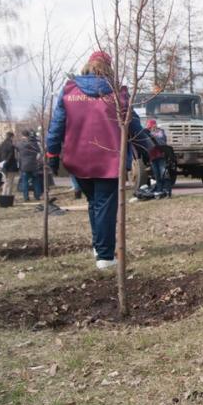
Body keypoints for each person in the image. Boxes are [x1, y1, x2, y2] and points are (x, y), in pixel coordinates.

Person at [45, 51, 152, 270]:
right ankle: (104, 255)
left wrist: (52, 154)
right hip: (109, 158)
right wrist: (148, 148)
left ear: (88, 65)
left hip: (77, 158)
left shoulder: (69, 91)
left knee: (94, 203)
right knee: (104, 205)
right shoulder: (118, 94)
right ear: (109, 68)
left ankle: (98, 246)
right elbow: (132, 125)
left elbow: (57, 125)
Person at [16, 130, 44, 201]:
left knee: (25, 182)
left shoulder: (20, 144)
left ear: (22, 135)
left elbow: (16, 150)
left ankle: (26, 197)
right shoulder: (34, 144)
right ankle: (37, 196)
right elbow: (39, 152)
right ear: (28, 135)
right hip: (34, 165)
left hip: (24, 166)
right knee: (36, 181)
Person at [0, 131, 19, 198]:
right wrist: (6, 163)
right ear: (12, 137)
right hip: (10, 167)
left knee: (6, 181)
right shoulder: (11, 145)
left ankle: (3, 195)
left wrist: (0, 163)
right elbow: (10, 156)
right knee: (10, 182)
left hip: (2, 166)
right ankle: (8, 196)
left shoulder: (0, 145)